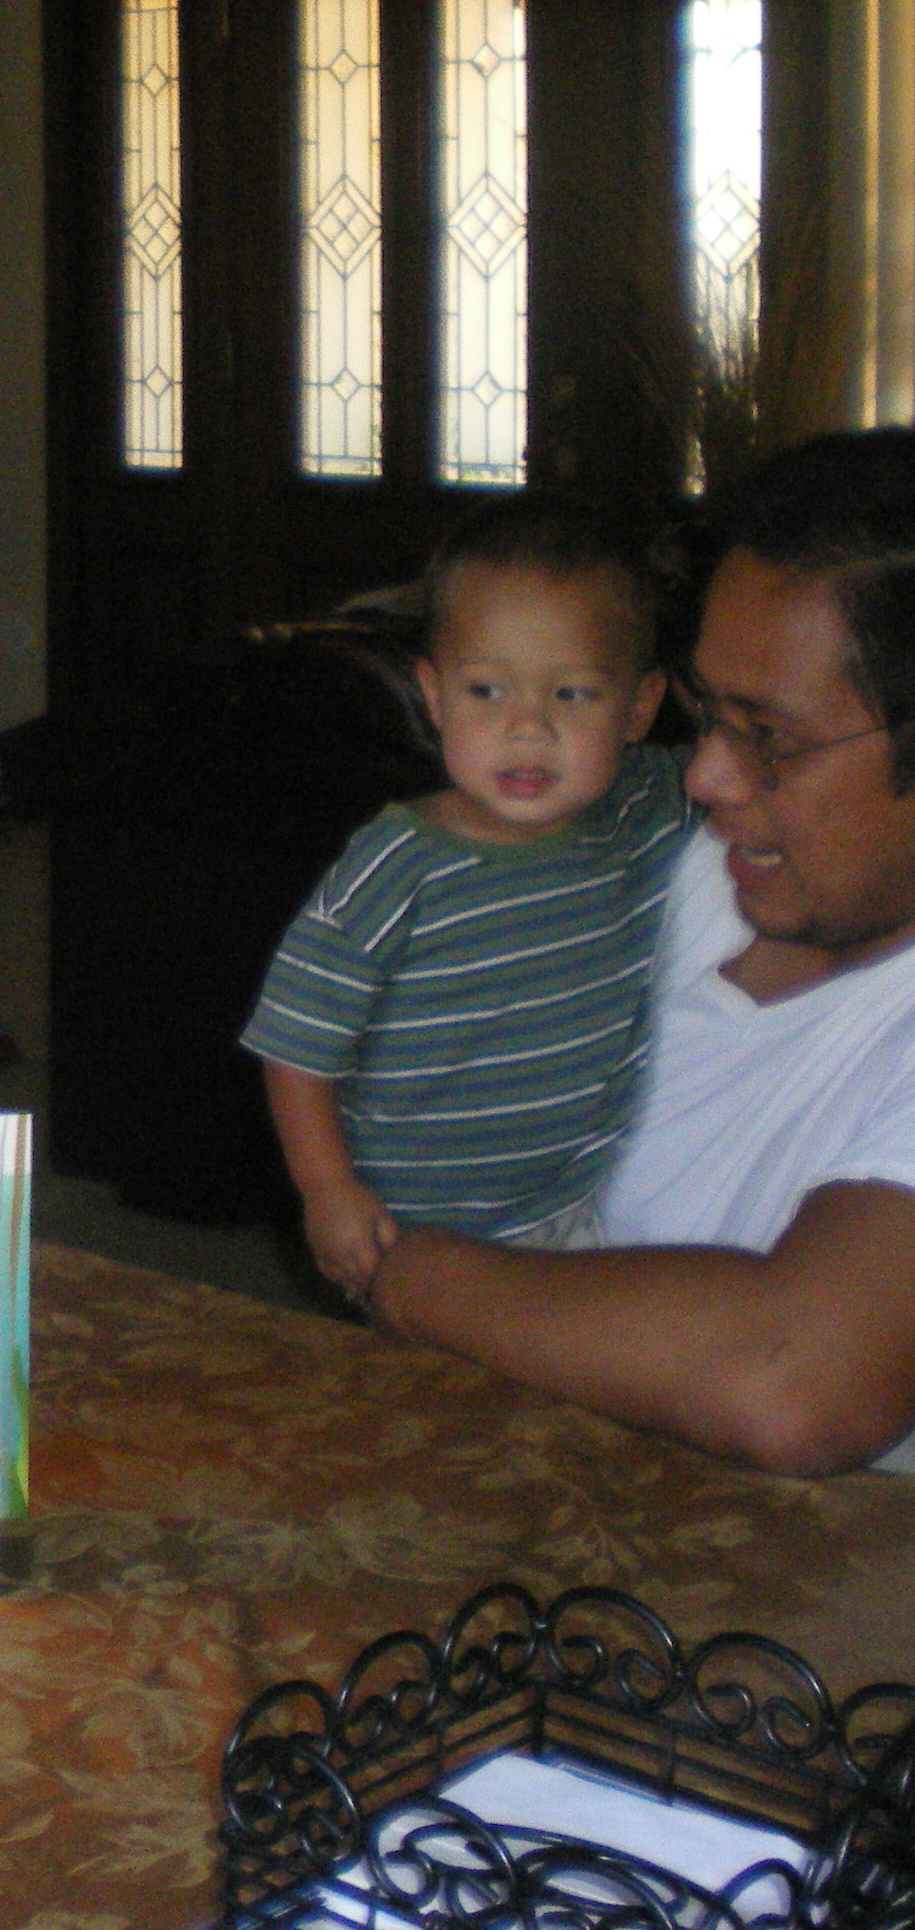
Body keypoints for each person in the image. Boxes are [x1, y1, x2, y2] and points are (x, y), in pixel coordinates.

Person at [370, 429, 915, 1477]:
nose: (706, 776)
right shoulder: (674, 876)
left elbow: (797, 1383)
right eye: (709, 714)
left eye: (770, 737)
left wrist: (419, 1281)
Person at [243, 495, 688, 1297]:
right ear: (434, 693)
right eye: (487, 691)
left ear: (640, 707)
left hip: (578, 1210)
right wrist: (327, 1191)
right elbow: (296, 1044)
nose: (528, 728)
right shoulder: (396, 866)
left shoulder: (651, 807)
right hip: (406, 1227)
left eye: (573, 694)